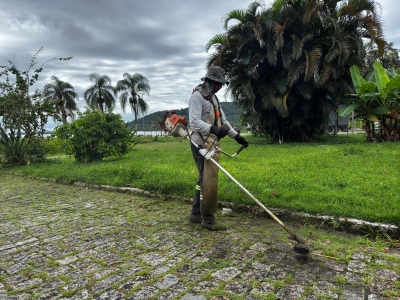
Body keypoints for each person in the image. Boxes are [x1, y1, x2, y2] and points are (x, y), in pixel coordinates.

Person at [188, 66, 249, 231]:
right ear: (210, 81)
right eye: (218, 84)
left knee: (203, 178)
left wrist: (236, 136)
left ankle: (195, 213)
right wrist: (213, 129)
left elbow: (223, 120)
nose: (220, 87)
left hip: (212, 143)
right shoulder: (197, 97)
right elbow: (193, 122)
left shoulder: (213, 99)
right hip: (200, 143)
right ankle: (207, 218)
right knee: (208, 179)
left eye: (221, 84)